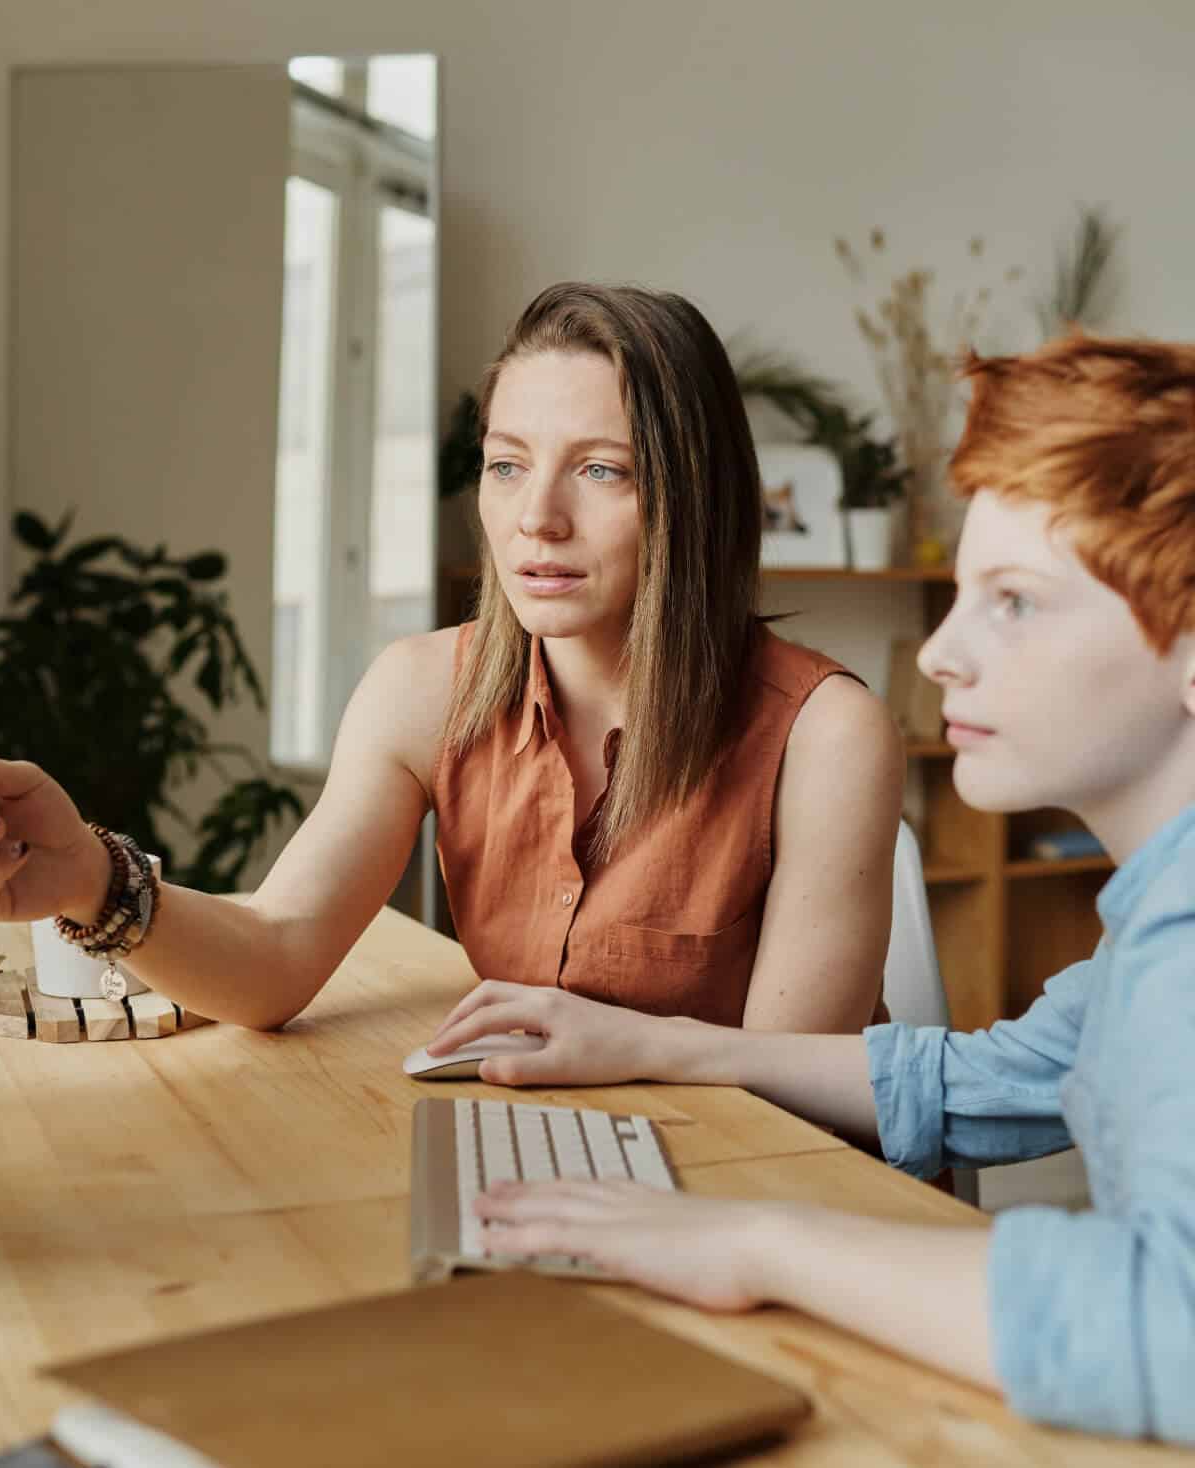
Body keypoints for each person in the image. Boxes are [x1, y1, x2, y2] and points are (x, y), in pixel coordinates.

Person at [429, 333, 1195, 1445]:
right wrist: (654, 1043)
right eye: (962, 595)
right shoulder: (1151, 929)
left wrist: (759, 1245)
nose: (938, 655)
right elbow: (993, 1077)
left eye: (1015, 603)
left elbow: (1171, 1327)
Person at [0, 283, 902, 1037]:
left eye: (602, 470)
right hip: (554, 1166)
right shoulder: (425, 689)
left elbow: (791, 1096)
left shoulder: (826, 734)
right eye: (507, 463)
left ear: (696, 496)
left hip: (760, 1201)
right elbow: (276, 955)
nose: (536, 517)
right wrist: (91, 875)